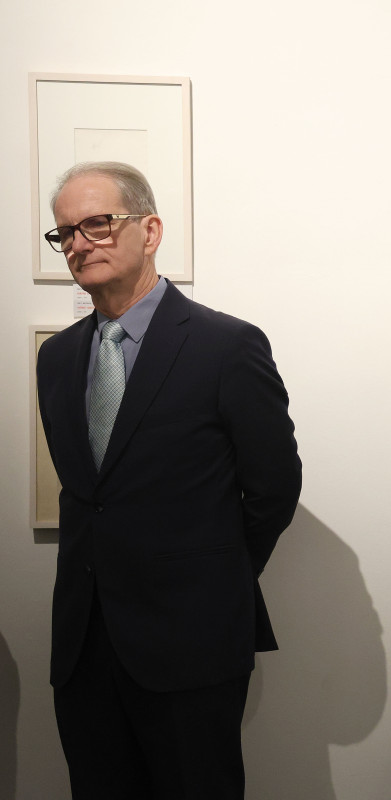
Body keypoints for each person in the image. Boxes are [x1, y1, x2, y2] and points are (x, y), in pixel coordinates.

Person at [36, 162, 302, 799]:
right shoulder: (57, 357)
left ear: (150, 230)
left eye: (97, 224)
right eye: (65, 232)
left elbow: (274, 488)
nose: (78, 244)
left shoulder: (226, 345)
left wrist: (211, 576)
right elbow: (89, 496)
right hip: (84, 643)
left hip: (192, 639)